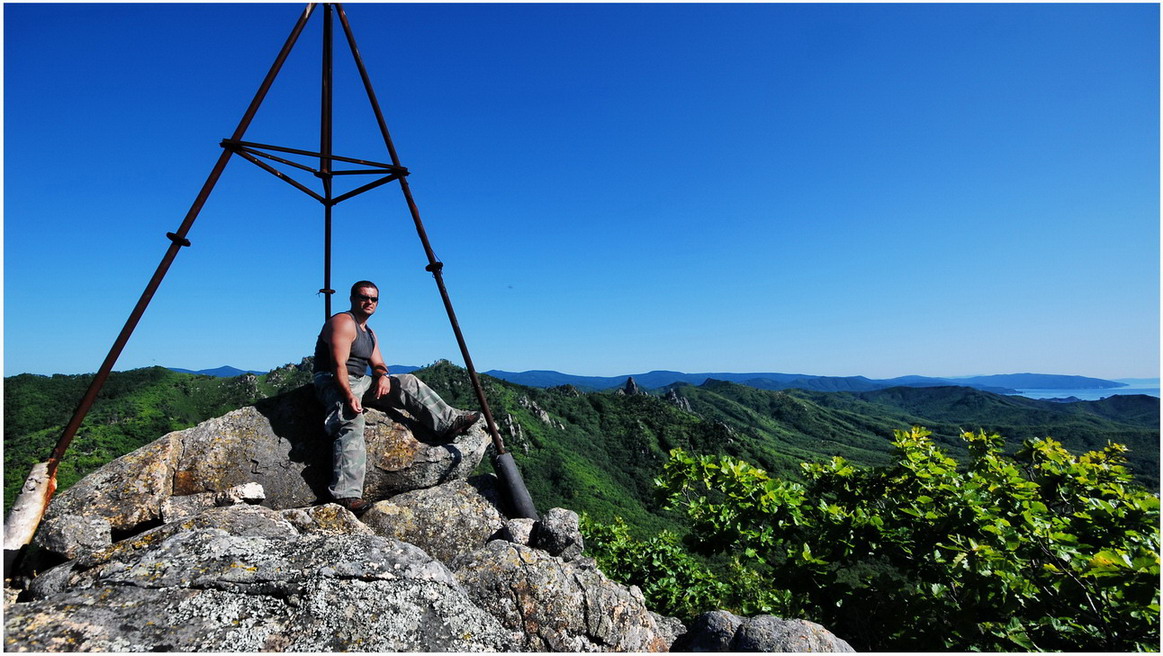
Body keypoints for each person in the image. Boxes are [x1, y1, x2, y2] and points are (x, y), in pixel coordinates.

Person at [312, 280, 480, 513]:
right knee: (351, 418)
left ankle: (448, 423)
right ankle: (346, 494)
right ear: (352, 298)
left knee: (406, 382)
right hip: (332, 379)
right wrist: (349, 395)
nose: (369, 302)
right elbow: (338, 365)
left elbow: (379, 363)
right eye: (364, 297)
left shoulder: (369, 332)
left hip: (360, 380)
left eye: (373, 299)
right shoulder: (342, 322)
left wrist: (382, 376)